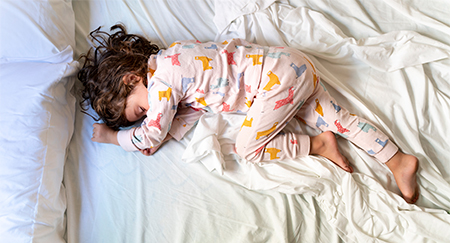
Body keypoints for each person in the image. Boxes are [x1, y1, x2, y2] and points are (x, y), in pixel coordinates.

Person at [78, 24, 419, 204]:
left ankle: (316, 146)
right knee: (339, 118)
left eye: (139, 108)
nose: (149, 112)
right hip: (292, 67)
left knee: (247, 148)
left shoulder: (163, 81)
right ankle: (397, 160)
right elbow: (196, 107)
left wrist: (117, 137)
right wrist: (167, 133)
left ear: (132, 78)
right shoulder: (175, 59)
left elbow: (151, 130)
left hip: (276, 83)